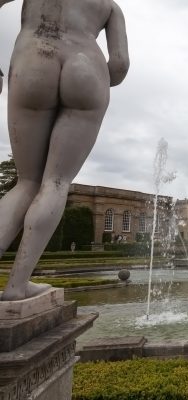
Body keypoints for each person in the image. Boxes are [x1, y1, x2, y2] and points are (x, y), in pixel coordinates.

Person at [0, 0, 129, 301]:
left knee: (27, 183)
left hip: (33, 58)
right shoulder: (109, 6)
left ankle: (18, 286)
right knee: (55, 183)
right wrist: (94, 81)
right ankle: (17, 286)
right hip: (88, 65)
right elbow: (120, 65)